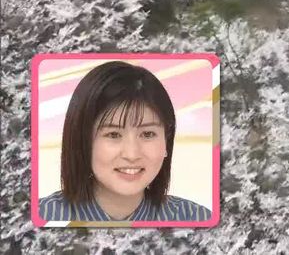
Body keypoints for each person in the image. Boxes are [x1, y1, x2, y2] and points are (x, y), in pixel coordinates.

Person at [38, 61, 212, 223]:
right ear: (81, 141)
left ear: (166, 140)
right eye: (113, 135)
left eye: (148, 134)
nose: (132, 154)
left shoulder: (196, 219)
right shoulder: (42, 217)